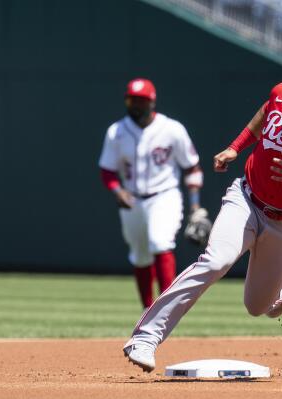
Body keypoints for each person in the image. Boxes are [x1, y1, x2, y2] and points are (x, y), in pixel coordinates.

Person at [122, 48, 282, 373]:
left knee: (260, 307)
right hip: (246, 199)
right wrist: (236, 147)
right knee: (216, 260)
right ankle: (146, 338)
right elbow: (265, 114)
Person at [98, 78, 207, 309]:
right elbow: (107, 170)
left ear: (152, 101)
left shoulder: (172, 129)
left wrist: (195, 206)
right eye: (132, 99)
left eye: (141, 100)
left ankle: (167, 311)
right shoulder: (116, 132)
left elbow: (192, 168)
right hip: (132, 199)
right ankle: (148, 311)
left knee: (160, 241)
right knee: (139, 256)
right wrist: (116, 190)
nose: (136, 104)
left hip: (164, 195)